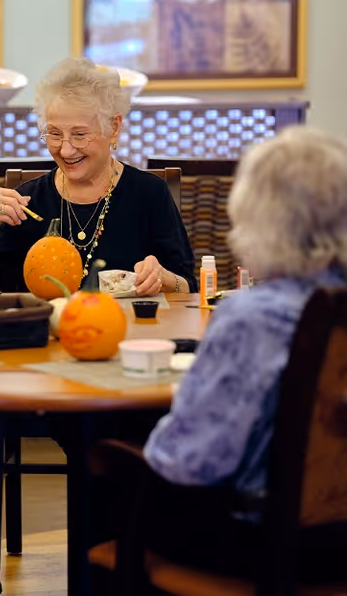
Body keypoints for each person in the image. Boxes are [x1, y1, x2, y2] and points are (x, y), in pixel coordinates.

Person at [136, 126, 347, 577]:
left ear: (258, 218)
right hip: (336, 535)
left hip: (264, 539)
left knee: (114, 479)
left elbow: (193, 462)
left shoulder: (252, 316)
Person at [0, 57, 196, 296]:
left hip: (128, 330)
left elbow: (188, 288)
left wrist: (163, 278)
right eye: (54, 134)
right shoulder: (26, 203)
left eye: (80, 134)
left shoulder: (149, 194)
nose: (65, 150)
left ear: (113, 128)